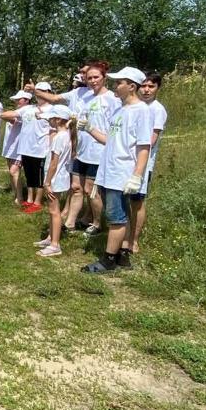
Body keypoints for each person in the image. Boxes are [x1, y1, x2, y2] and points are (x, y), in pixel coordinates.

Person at [32, 61, 119, 236]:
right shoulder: (84, 95)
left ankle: (97, 223)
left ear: (104, 78)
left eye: (96, 77)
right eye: (89, 78)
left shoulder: (112, 99)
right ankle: (70, 222)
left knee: (91, 190)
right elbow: (59, 101)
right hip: (80, 149)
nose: (93, 81)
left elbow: (114, 128)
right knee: (76, 187)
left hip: (98, 151)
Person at [82, 67, 153, 274]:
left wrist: (137, 175)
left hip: (122, 171)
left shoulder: (141, 111)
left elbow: (143, 147)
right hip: (109, 170)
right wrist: (89, 129)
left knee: (116, 216)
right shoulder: (119, 110)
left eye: (119, 82)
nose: (115, 85)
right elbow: (109, 140)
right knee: (120, 213)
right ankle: (122, 254)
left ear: (131, 86)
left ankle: (108, 259)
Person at [130, 72, 167, 254]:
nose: (146, 90)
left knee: (137, 201)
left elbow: (151, 140)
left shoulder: (157, 110)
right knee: (127, 201)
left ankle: (134, 240)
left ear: (157, 88)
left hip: (144, 164)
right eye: (143, 86)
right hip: (128, 162)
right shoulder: (135, 107)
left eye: (151, 86)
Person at [0, 85, 52, 213]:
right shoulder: (28, 108)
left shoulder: (52, 109)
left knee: (38, 177)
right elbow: (12, 114)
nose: (40, 94)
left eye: (43, 91)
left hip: (40, 149)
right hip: (25, 148)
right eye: (38, 92)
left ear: (49, 93)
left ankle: (37, 202)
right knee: (29, 176)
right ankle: (29, 199)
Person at [34, 105, 77, 257]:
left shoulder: (60, 137)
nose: (49, 121)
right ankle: (50, 237)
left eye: (51, 118)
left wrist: (47, 182)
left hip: (55, 179)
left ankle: (55, 245)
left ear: (58, 120)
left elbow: (54, 163)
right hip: (58, 177)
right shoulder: (66, 135)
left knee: (54, 211)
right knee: (52, 210)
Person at [0, 90, 31, 205]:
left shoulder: (27, 110)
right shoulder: (18, 111)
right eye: (16, 99)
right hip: (10, 146)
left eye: (19, 99)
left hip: (19, 147)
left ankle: (20, 197)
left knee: (14, 171)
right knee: (11, 171)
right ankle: (15, 195)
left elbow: (5, 116)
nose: (16, 101)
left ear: (27, 100)